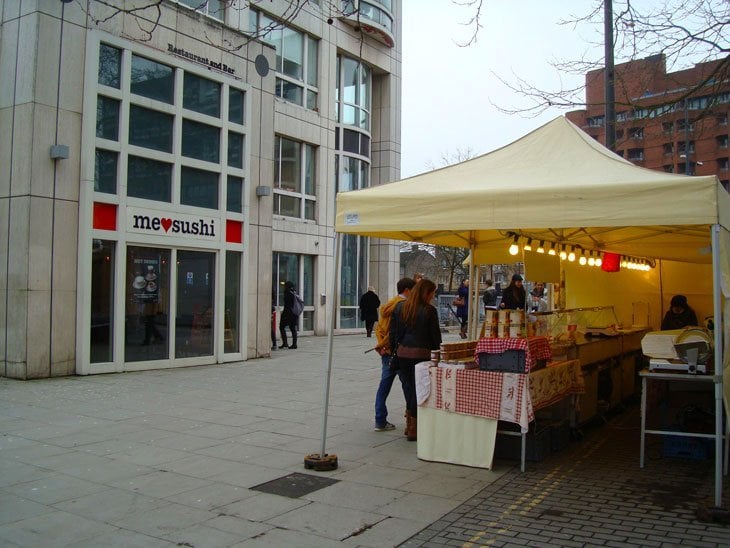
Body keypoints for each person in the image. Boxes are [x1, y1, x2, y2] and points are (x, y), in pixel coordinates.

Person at [390, 279, 442, 441]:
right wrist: (438, 353)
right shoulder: (429, 311)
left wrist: (395, 351)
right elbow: (435, 338)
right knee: (419, 390)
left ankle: (409, 424)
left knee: (409, 388)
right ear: (426, 293)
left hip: (403, 354)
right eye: (432, 293)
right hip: (422, 355)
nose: (433, 297)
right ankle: (413, 428)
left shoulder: (399, 307)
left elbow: (393, 334)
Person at [373, 277, 416, 432]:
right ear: (407, 290)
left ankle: (380, 419)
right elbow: (397, 330)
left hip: (386, 351)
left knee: (384, 386)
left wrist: (381, 345)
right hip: (398, 351)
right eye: (414, 290)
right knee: (408, 386)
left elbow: (380, 328)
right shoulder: (403, 306)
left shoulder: (389, 304)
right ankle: (411, 420)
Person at [279, 281, 300, 349]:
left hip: (288, 314)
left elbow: (287, 306)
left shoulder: (288, 293)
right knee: (293, 329)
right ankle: (294, 344)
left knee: (282, 327)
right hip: (294, 314)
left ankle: (285, 343)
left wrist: (284, 314)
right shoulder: (294, 293)